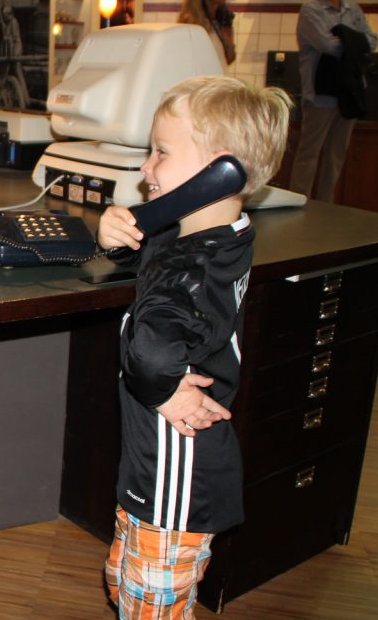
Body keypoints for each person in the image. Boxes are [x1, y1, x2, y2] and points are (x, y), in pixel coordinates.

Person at [97, 76, 292, 619]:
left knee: (151, 605)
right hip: (153, 472)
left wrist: (164, 393)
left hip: (173, 481)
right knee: (126, 581)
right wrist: (121, 239)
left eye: (160, 151)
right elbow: (157, 271)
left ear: (218, 170)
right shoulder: (207, 235)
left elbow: (153, 350)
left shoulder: (193, 265)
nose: (145, 167)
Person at [290, 0, 378, 202]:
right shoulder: (311, 10)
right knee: (309, 154)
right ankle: (299, 204)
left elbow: (372, 41)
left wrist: (347, 38)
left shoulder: (354, 10)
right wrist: (354, 41)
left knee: (336, 156)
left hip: (349, 92)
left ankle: (326, 207)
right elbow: (326, 45)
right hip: (320, 94)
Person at [177, 0, 236, 68]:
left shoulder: (221, 19)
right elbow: (187, 62)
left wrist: (227, 33)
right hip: (203, 82)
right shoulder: (191, 22)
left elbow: (229, 59)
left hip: (220, 80)